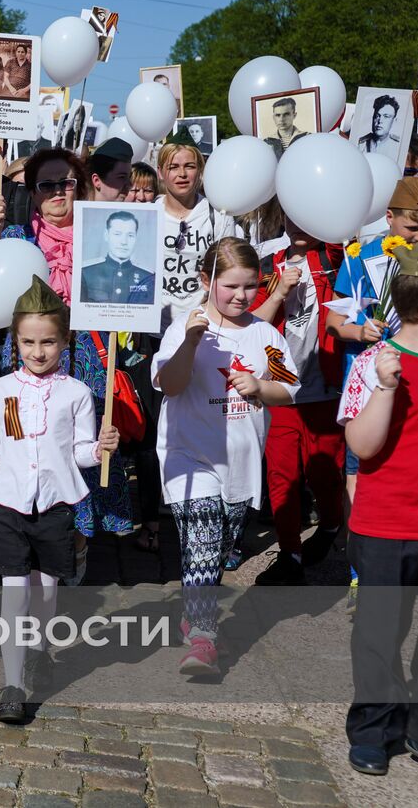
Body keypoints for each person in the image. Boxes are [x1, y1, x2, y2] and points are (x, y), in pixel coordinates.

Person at [335, 240, 418, 782]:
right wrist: (385, 390)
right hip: (386, 526)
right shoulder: (374, 363)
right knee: (380, 634)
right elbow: (362, 446)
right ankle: (374, 731)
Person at [0, 276, 119, 721]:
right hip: (8, 506)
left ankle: (40, 650)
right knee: (14, 596)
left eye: (48, 342)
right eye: (29, 342)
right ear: (15, 340)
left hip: (54, 506)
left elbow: (80, 453)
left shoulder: (76, 393)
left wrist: (100, 448)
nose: (38, 351)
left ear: (64, 340)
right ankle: (12, 685)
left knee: (46, 594)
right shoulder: (1, 390)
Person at [152, 238, 300, 676]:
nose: (240, 296)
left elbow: (288, 390)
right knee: (200, 536)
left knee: (216, 549)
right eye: (230, 286)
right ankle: (203, 638)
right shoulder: (185, 326)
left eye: (250, 287)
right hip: (188, 456)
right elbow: (170, 383)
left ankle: (194, 607)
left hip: (240, 463)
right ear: (206, 281)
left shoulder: (266, 334)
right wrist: (192, 344)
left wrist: (260, 387)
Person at [1, 148, 134, 578]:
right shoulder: (17, 240)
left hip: (85, 361)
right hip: (26, 362)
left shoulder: (102, 236)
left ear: (81, 184)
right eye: (47, 185)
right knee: (31, 448)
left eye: (66, 183)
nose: (58, 192)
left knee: (83, 453)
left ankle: (74, 552)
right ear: (33, 193)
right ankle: (31, 548)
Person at [326, 177, 418, 510]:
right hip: (366, 385)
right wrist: (360, 333)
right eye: (412, 228)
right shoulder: (361, 256)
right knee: (360, 471)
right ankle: (358, 558)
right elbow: (334, 323)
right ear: (389, 217)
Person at [250, 221, 346, 585]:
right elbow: (250, 322)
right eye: (294, 213)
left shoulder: (334, 259)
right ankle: (289, 552)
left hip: (324, 389)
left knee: (323, 473)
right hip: (280, 389)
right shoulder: (267, 264)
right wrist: (276, 293)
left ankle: (332, 524)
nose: (301, 222)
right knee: (281, 476)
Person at [153, 141, 244, 330]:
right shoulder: (149, 214)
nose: (182, 174)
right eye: (173, 167)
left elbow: (227, 269)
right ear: (160, 172)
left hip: (202, 322)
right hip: (155, 326)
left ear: (200, 170)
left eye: (189, 166)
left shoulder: (218, 215)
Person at [79, 210, 155, 304]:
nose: (124, 242)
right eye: (117, 234)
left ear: (136, 238)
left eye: (130, 235)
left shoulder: (148, 277)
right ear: (106, 235)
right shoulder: (86, 273)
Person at [86, 137, 133, 202]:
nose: (130, 185)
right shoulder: (76, 211)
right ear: (97, 181)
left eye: (129, 177)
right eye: (122, 177)